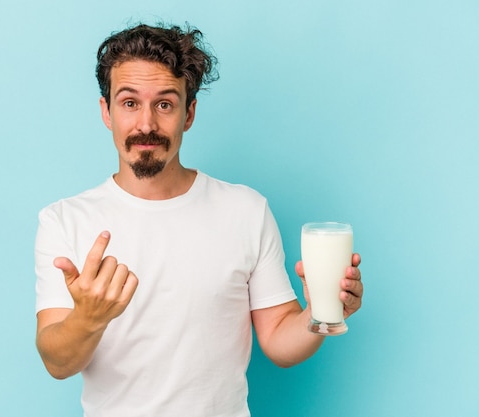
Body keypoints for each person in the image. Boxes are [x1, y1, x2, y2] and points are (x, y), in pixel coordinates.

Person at [34, 23, 363, 417]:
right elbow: (57, 362)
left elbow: (277, 339)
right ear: (106, 111)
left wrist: (320, 313)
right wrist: (88, 318)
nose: (146, 125)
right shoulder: (64, 220)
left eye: (165, 104)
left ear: (189, 113)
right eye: (129, 103)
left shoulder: (246, 210)